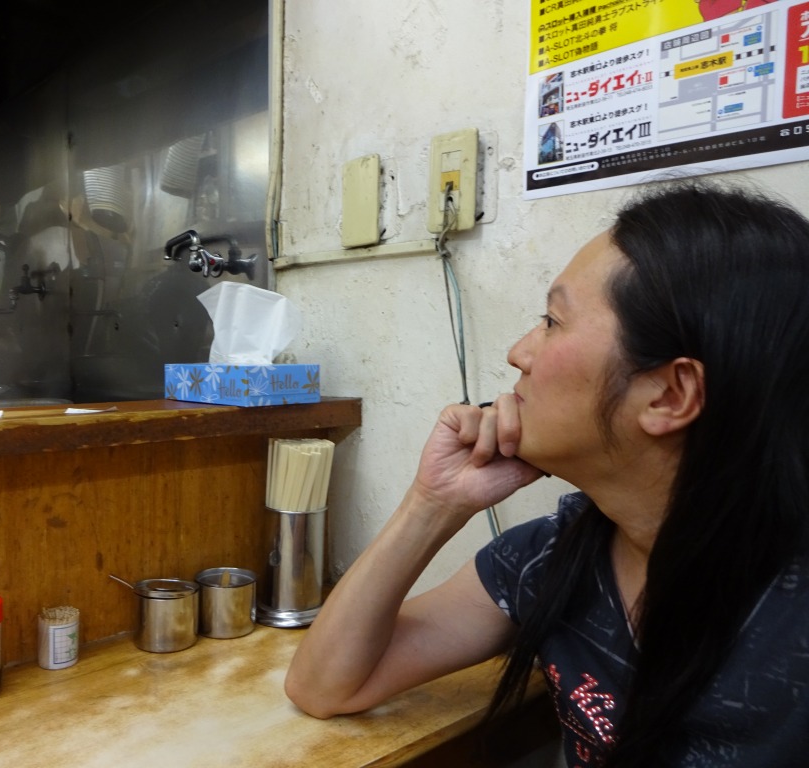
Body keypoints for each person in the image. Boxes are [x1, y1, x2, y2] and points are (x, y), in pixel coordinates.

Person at [284, 180, 809, 767]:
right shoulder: (556, 554)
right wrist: (435, 501)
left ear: (670, 394)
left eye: (553, 322)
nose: (519, 352)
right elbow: (325, 685)